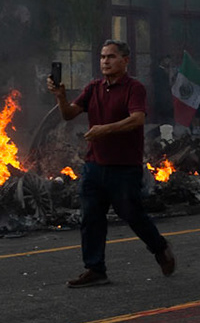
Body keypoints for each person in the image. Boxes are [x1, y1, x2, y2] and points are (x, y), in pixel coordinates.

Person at [46, 38, 177, 287]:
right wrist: (61, 97)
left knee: (131, 213)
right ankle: (95, 269)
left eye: (111, 57)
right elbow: (68, 114)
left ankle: (159, 247)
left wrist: (103, 130)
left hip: (124, 167)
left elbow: (137, 119)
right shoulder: (93, 87)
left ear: (125, 61)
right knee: (91, 216)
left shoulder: (134, 88)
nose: (105, 61)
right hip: (94, 165)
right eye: (103, 57)